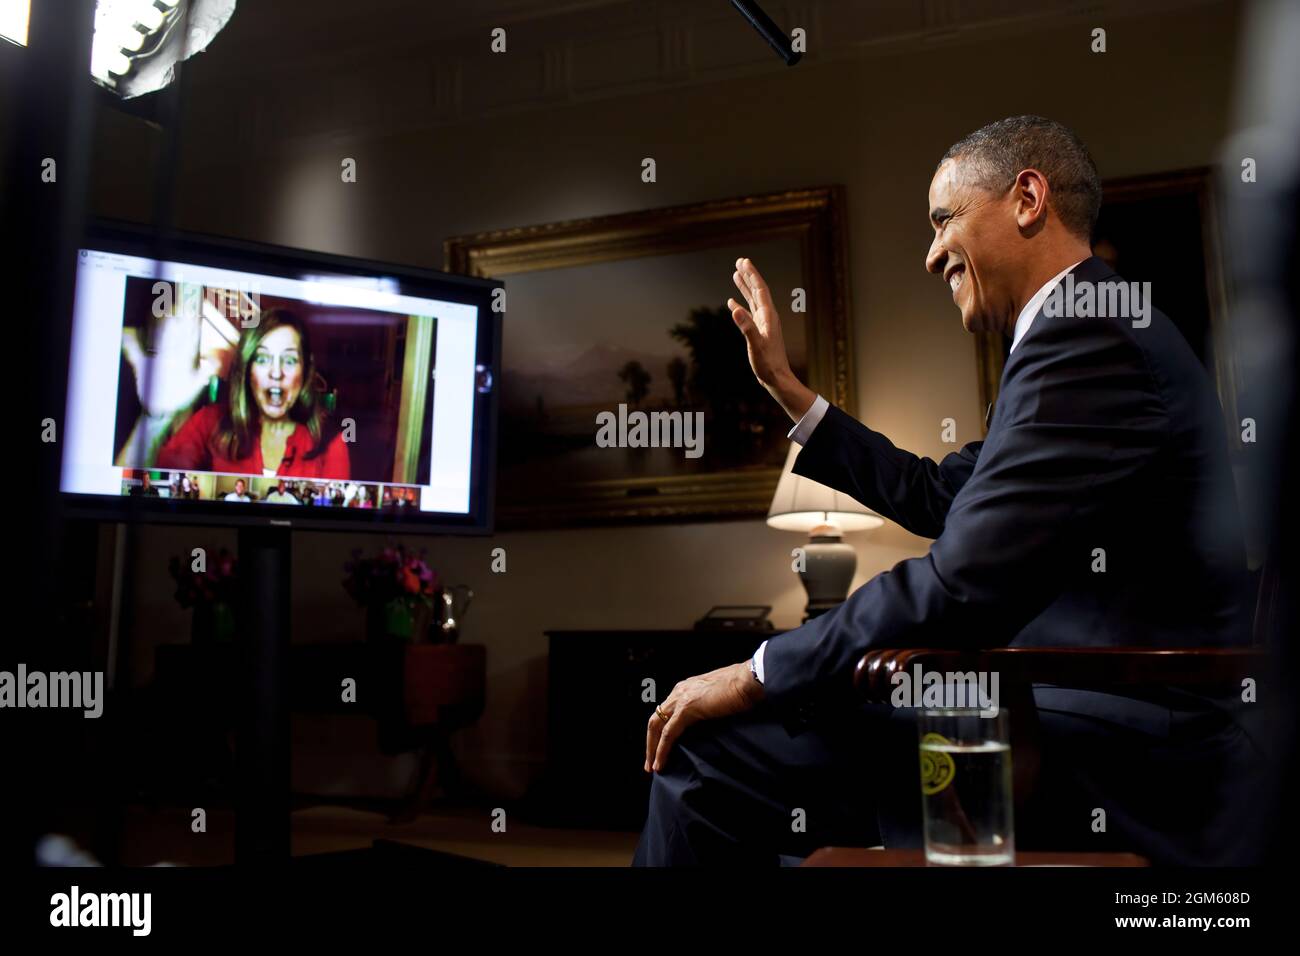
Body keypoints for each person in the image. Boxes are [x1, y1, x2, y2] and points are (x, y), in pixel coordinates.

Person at [633, 116, 1260, 866]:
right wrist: (791, 394)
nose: (931, 257)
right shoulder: (1087, 326)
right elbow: (938, 494)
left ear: (1028, 197)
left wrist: (759, 670)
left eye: (943, 220)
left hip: (1124, 743)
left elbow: (960, 582)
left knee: (707, 754)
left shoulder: (1087, 341)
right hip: (1069, 708)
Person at [155, 309, 350, 480]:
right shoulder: (208, 422)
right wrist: (156, 416)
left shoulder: (331, 443)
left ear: (305, 370)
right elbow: (153, 488)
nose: (276, 373)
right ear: (247, 369)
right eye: (263, 358)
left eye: (289, 360)